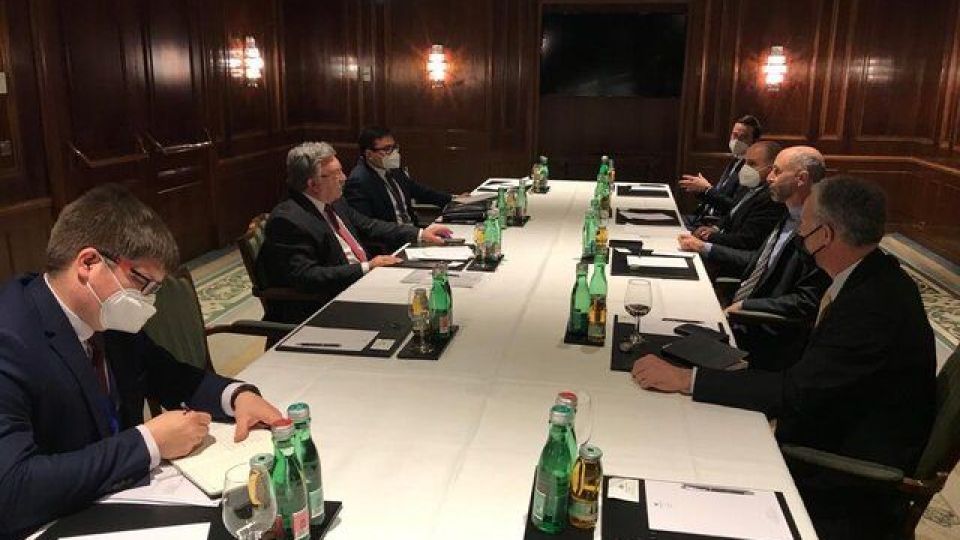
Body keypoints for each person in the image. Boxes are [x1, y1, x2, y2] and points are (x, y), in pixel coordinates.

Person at [632, 176, 936, 539]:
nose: (798, 233)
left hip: (840, 472)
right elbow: (817, 378)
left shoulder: (872, 306)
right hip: (828, 423)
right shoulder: (872, 275)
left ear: (825, 235)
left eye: (804, 223)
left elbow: (796, 393)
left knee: (674, 461)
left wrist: (688, 380)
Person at [0, 184, 282, 538]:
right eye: (142, 282)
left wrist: (237, 396)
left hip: (120, 503)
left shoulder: (107, 319)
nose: (148, 303)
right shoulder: (11, 338)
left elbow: (169, 375)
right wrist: (148, 442)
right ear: (88, 263)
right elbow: (12, 490)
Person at [257, 141, 453, 324]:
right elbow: (307, 276)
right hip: (329, 304)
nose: (344, 178)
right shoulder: (288, 220)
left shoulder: (334, 202)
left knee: (433, 293)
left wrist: (420, 233)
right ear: (313, 184)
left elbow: (369, 225)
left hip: (364, 282)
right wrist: (366, 267)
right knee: (419, 314)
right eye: (336, 174)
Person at [683, 146, 830, 369]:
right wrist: (707, 249)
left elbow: (807, 301)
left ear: (801, 179)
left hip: (761, 337)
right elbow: (759, 263)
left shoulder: (818, 230)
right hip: (737, 315)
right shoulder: (787, 214)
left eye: (777, 171)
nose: (769, 178)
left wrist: (746, 306)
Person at [682, 140, 785, 251]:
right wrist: (716, 228)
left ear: (770, 170)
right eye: (745, 162)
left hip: (731, 252)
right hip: (721, 238)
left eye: (752, 164)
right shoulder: (750, 186)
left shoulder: (770, 199)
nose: (745, 168)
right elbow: (733, 212)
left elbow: (746, 240)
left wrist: (709, 237)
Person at [345, 126, 453, 228]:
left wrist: (453, 200)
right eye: (387, 149)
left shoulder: (393, 169)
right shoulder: (359, 182)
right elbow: (367, 225)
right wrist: (415, 234)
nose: (394, 153)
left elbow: (421, 191)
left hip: (413, 231)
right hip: (391, 238)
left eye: (394, 147)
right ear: (369, 154)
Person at [680, 115, 762, 226]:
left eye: (743, 137)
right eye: (735, 135)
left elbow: (736, 207)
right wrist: (700, 190)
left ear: (754, 142)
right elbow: (721, 194)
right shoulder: (735, 160)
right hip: (704, 217)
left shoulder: (751, 170)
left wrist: (707, 190)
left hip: (718, 225)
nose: (737, 141)